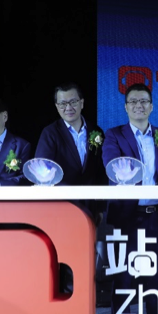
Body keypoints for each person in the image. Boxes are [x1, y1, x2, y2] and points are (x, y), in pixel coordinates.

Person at [102, 83, 158, 314]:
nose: (139, 105)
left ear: (152, 106)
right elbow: (113, 167)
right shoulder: (114, 135)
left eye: (144, 101)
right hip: (127, 216)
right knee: (123, 276)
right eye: (133, 102)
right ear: (126, 107)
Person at [35, 82, 108, 221]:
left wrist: (100, 207)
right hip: (62, 205)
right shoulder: (50, 133)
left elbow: (101, 172)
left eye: (73, 102)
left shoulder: (96, 131)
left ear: (82, 103)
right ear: (57, 106)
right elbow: (42, 171)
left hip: (90, 205)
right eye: (63, 104)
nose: (68, 108)